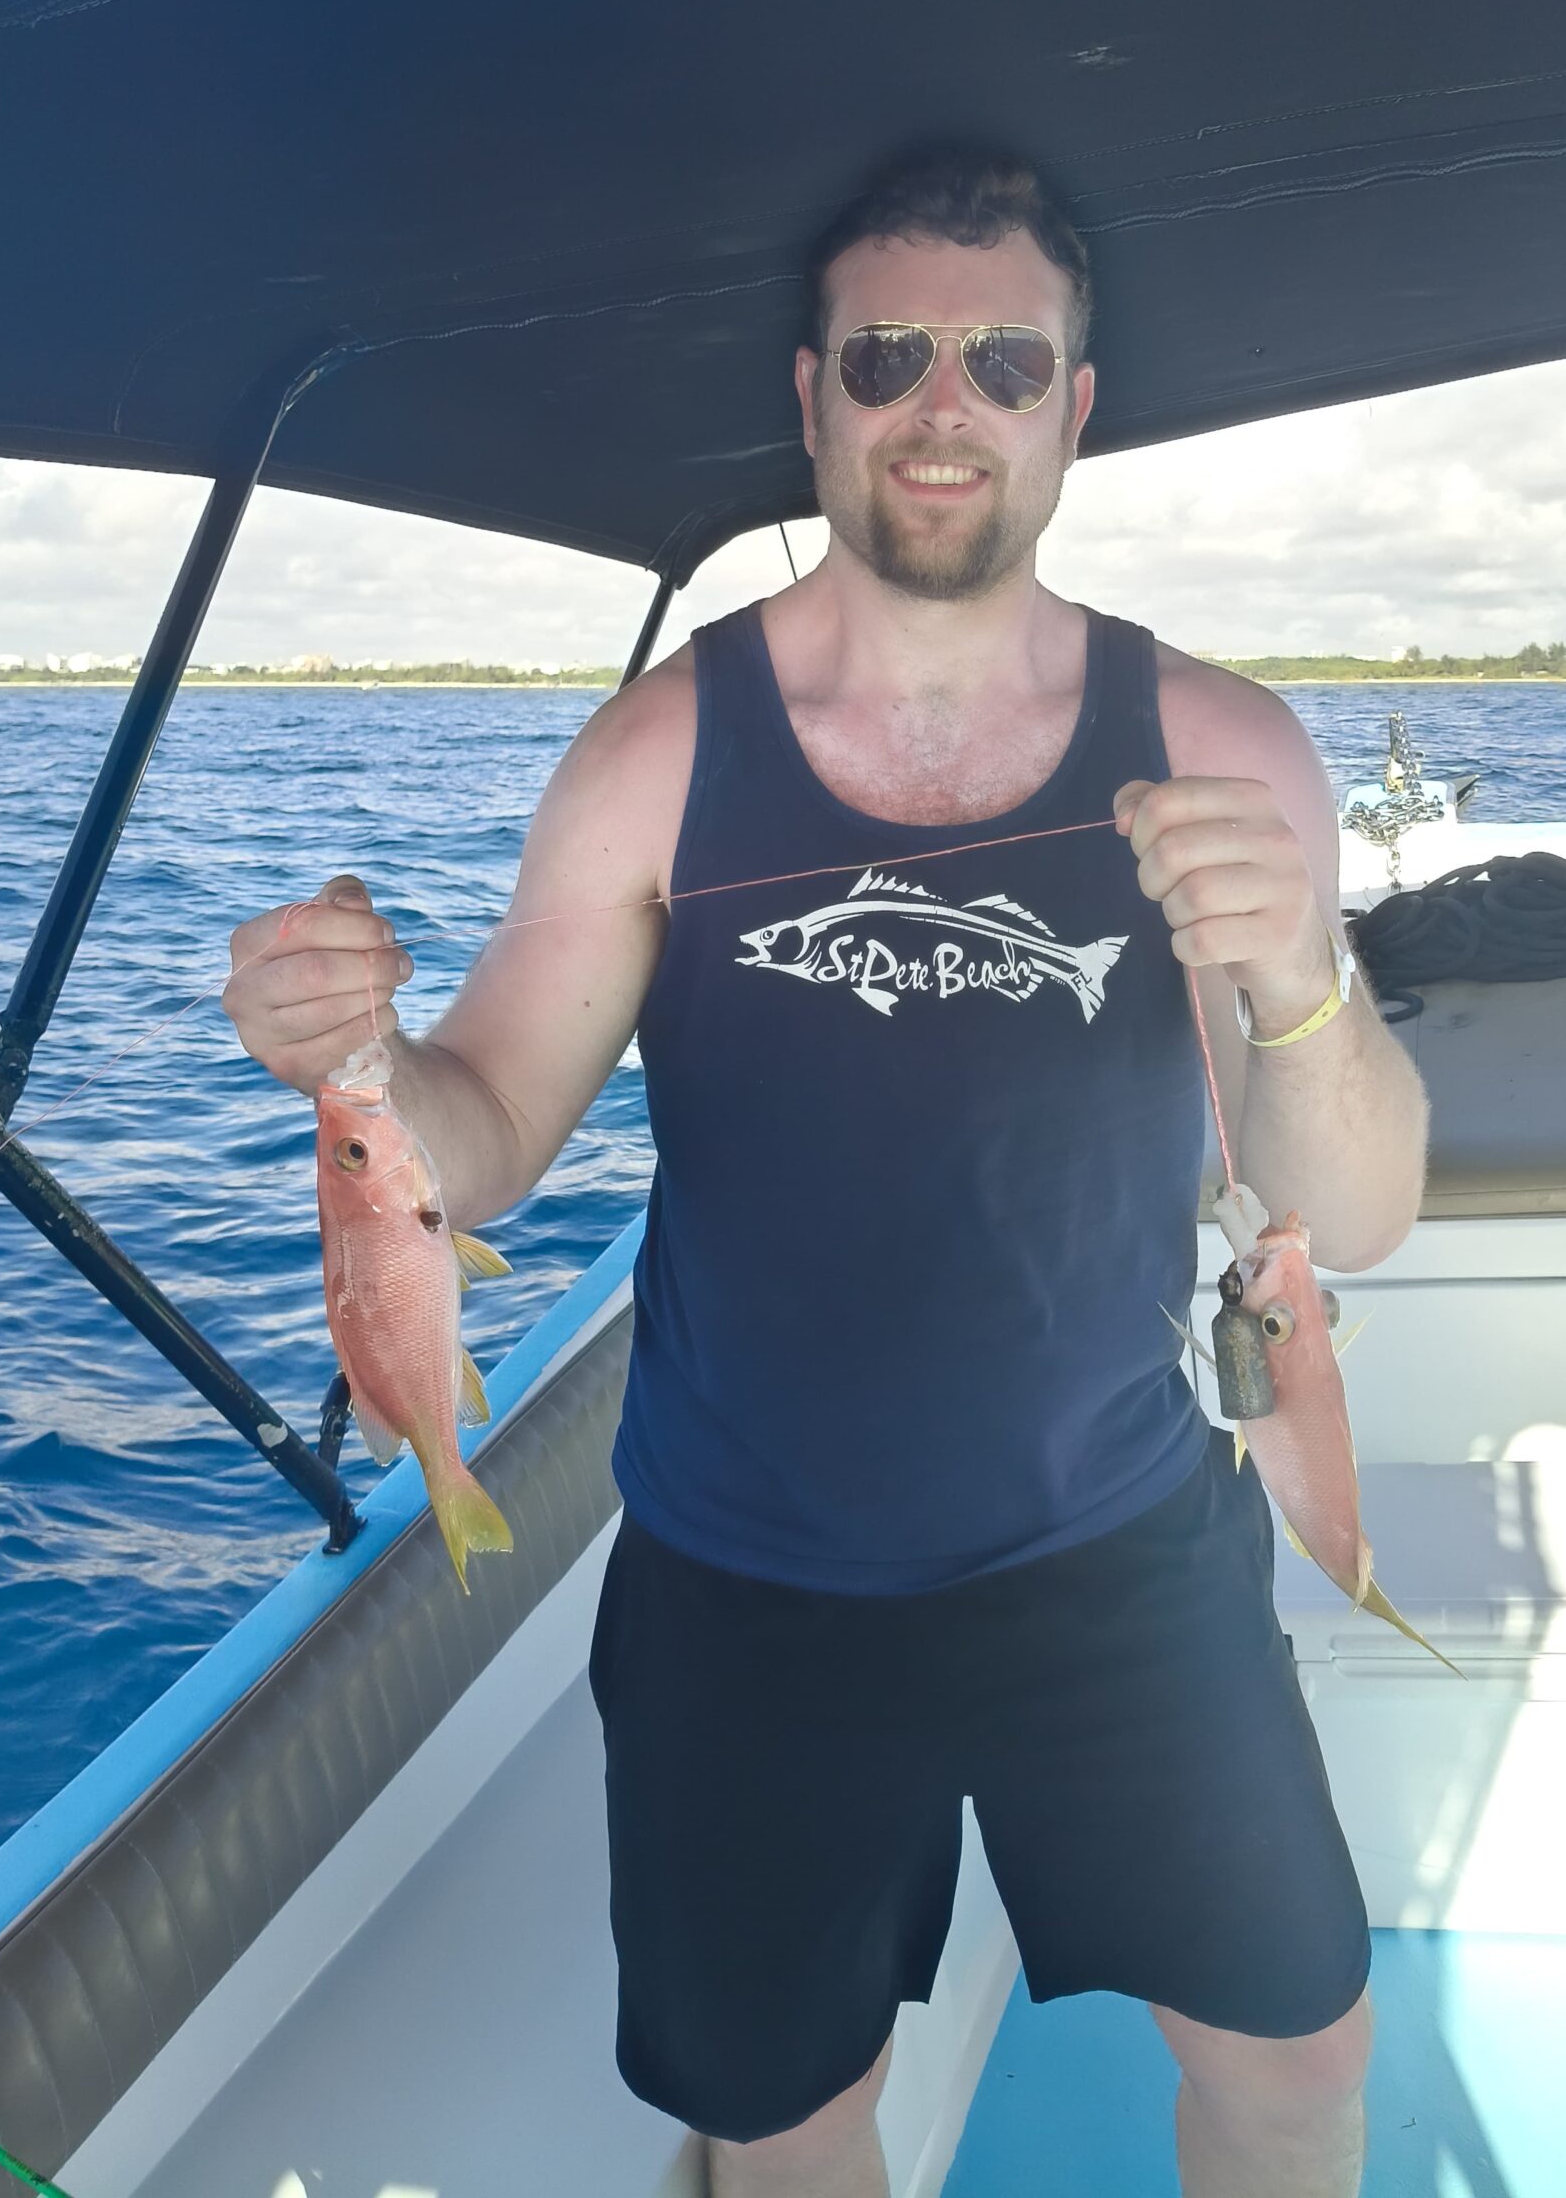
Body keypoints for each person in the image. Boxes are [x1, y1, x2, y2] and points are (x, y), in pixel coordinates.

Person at [223, 144, 1429, 2198]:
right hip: (750, 1577)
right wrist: (357, 1058)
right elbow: (485, 1126)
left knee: (1300, 2054)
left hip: (1121, 1536)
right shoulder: (656, 756)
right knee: (783, 2119)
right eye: (888, 357)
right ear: (812, 397)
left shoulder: (1226, 749)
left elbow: (1360, 1215)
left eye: (1003, 361)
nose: (942, 405)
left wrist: (1307, 982)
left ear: (1075, 406)